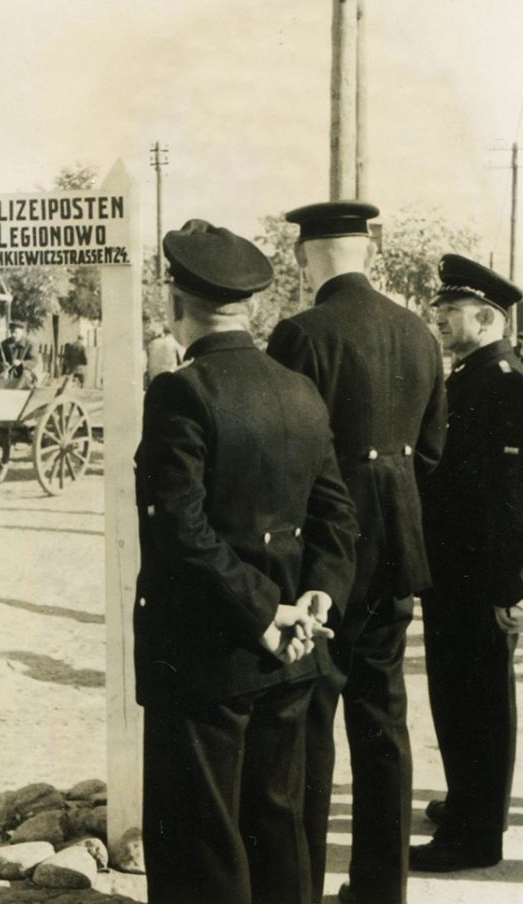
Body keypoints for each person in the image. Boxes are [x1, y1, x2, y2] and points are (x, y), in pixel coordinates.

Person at [134, 219, 359, 904]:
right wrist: (317, 595)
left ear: (174, 302)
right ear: (254, 306)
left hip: (207, 658)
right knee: (278, 829)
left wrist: (262, 613)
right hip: (292, 654)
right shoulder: (298, 390)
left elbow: (180, 529)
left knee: (202, 845)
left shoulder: (181, 391)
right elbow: (337, 515)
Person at [267, 201, 447, 904]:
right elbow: (430, 451)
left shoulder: (300, 334)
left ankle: (302, 885)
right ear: (366, 252)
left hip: (323, 560)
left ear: (306, 256)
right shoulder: (419, 334)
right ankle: (380, 889)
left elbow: (285, 458)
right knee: (382, 720)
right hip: (396, 549)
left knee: (310, 723)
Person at [414, 254, 523, 871]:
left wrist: (506, 589)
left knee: (479, 703)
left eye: (450, 311)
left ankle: (476, 835)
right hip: (457, 572)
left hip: (480, 577)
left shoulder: (505, 382)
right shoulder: (475, 374)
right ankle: (468, 802)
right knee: (459, 697)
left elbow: (510, 501)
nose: (438, 318)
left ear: (487, 317)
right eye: (439, 309)